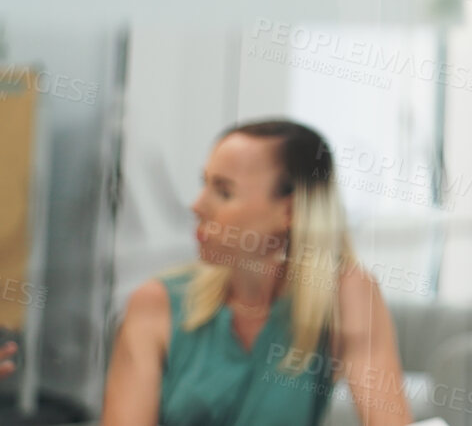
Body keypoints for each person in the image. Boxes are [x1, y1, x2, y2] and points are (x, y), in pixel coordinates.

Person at [101, 120, 410, 426]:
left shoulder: (346, 295)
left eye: (223, 192)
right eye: (204, 184)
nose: (197, 206)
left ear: (289, 211)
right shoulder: (156, 303)